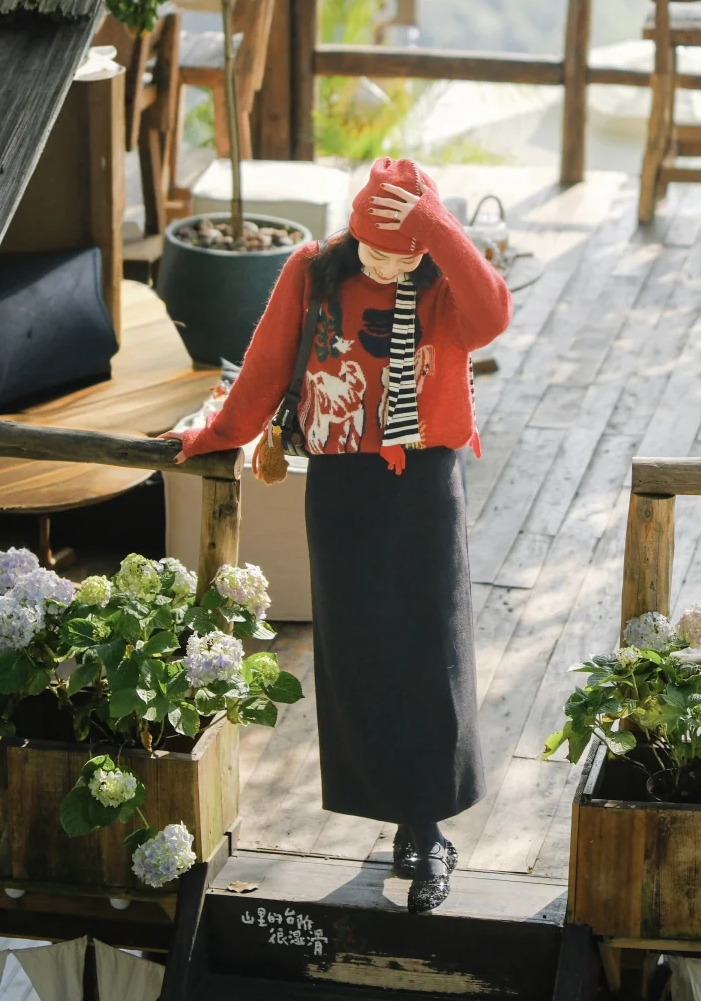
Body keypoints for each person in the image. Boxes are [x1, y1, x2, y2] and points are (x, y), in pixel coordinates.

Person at [164, 157, 512, 912]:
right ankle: (396, 814)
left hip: (424, 481)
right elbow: (266, 365)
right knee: (358, 656)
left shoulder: (444, 280)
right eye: (376, 250)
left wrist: (435, 229)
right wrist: (217, 433)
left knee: (432, 651)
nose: (388, 266)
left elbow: (492, 319)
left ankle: (428, 831)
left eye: (405, 253)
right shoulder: (312, 270)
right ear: (353, 232)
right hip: (340, 485)